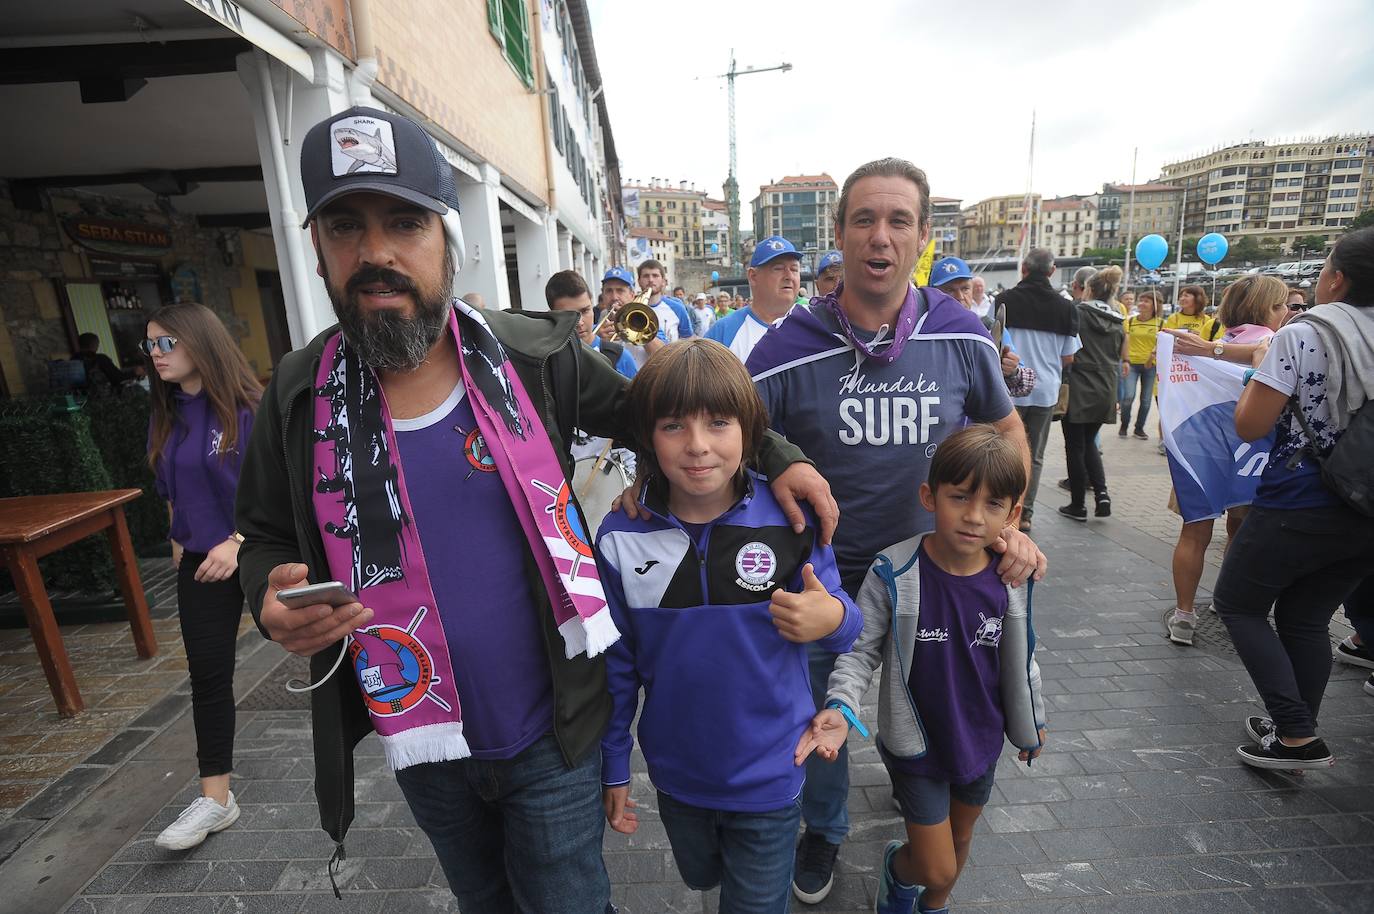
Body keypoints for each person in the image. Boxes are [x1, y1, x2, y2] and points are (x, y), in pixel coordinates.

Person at [234, 105, 834, 913]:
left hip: (554, 732)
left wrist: (779, 458)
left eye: (404, 222)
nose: (375, 252)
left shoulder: (532, 356)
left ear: (447, 239)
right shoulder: (299, 395)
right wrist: (269, 593)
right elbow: (264, 535)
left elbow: (660, 412)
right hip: (421, 738)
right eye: (345, 227)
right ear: (316, 250)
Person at [741, 159, 1043, 905]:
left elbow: (1006, 431)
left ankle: (929, 809)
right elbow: (733, 440)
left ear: (924, 238)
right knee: (828, 712)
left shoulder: (960, 332)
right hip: (825, 576)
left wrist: (1013, 524)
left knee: (939, 701)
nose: (881, 237)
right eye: (865, 221)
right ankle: (827, 827)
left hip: (936, 573)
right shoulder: (787, 344)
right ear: (839, 235)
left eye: (899, 221)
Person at [599, 339, 862, 913]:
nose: (698, 446)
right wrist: (614, 763)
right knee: (699, 876)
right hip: (677, 772)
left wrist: (833, 617)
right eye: (673, 426)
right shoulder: (621, 534)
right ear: (648, 437)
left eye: (720, 423)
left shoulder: (791, 522)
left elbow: (849, 627)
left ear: (750, 430)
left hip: (773, 769)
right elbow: (615, 666)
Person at [797, 425, 1046, 914]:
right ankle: (898, 871)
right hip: (916, 746)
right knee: (936, 863)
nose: (974, 517)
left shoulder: (1009, 579)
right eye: (960, 497)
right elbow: (860, 649)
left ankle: (933, 905)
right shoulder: (894, 571)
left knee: (960, 838)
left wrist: (1032, 718)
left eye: (993, 505)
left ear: (1013, 514)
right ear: (930, 497)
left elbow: (1022, 657)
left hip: (980, 739)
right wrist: (842, 706)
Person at [1213, 226, 1374, 769]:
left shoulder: (1304, 334)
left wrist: (1253, 379)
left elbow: (1250, 424)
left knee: (1237, 603)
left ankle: (1299, 735)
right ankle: (1292, 728)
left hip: (1301, 497)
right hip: (1366, 508)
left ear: (1337, 278)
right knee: (1306, 617)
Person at [144, 303, 260, 850]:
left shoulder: (248, 408)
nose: (155, 355)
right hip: (201, 564)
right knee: (209, 677)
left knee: (333, 649)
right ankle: (216, 800)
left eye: (166, 343)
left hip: (257, 552)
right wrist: (180, 544)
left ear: (199, 342)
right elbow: (170, 490)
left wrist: (236, 543)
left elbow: (279, 494)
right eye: (150, 345)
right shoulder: (166, 413)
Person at [1164, 275, 1288, 646]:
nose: (1287, 313)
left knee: (1195, 532)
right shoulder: (1272, 344)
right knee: (1241, 530)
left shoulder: (1210, 344)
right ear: (1264, 309)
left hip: (1199, 450)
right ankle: (1226, 597)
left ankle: (1184, 615)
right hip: (1252, 455)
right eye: (1281, 305)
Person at [999, 248, 1080, 532]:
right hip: (1045, 390)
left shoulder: (1004, 300)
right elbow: (1069, 357)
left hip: (1007, 388)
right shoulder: (1066, 307)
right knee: (1034, 455)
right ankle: (1025, 513)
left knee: (1004, 451)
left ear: (1024, 268)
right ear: (1052, 271)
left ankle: (1001, 510)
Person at [1059, 266, 1126, 521]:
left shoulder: (1078, 313)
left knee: (1075, 446)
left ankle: (1078, 504)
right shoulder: (1118, 318)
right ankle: (1102, 495)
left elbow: (1068, 351)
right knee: (1089, 443)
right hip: (1106, 387)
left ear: (1088, 289)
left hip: (1079, 385)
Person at [929, 256, 1035, 398]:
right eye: (949, 290)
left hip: (978, 417)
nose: (959, 296)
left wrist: (1012, 370)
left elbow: (1025, 384)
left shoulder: (989, 329)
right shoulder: (920, 331)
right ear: (932, 293)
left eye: (965, 288)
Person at [705, 235, 804, 363]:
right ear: (753, 276)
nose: (789, 276)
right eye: (778, 269)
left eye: (794, 269)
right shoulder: (723, 333)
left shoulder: (812, 329)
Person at [547, 270, 638, 379]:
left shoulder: (621, 357)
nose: (580, 323)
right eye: (569, 315)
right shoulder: (545, 360)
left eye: (585, 311)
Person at [600, 265, 666, 368]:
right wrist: (599, 340)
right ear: (603, 295)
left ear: (632, 295)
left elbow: (665, 357)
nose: (614, 297)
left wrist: (641, 330)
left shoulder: (649, 322)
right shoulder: (597, 328)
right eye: (609, 291)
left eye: (620, 290)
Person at [1118, 290, 1163, 439]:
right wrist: (1124, 359)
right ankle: (1124, 425)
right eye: (1141, 300)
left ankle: (1139, 428)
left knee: (1145, 400)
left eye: (1147, 301)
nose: (1142, 303)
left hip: (1151, 366)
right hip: (1131, 364)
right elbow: (1124, 340)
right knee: (1128, 396)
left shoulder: (1161, 323)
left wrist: (1152, 358)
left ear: (1154, 305)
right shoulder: (1131, 321)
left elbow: (1163, 345)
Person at [640, 260, 693, 342]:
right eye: (646, 276)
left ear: (663, 281)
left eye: (655, 275)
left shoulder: (678, 308)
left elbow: (687, 340)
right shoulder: (628, 308)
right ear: (639, 281)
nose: (650, 280)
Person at [75, 331, 142, 394]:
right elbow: (117, 378)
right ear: (95, 344)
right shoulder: (100, 359)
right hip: (104, 397)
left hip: (81, 397)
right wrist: (134, 372)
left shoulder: (74, 359)